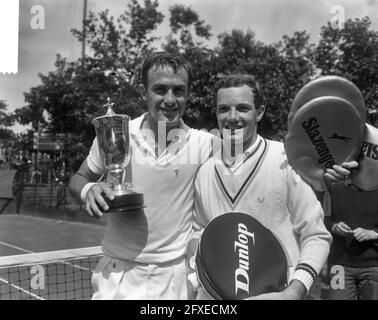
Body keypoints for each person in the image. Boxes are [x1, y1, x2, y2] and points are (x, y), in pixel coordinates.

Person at [68, 51, 214, 299]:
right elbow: (77, 179)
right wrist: (88, 189)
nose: (170, 100)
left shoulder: (204, 143)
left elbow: (249, 153)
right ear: (144, 92)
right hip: (118, 276)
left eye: (178, 90)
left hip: (175, 280)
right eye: (160, 89)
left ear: (188, 93)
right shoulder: (115, 132)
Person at [189, 74, 332, 300]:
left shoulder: (285, 160)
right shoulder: (204, 171)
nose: (232, 117)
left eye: (243, 108)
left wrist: (293, 292)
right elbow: (198, 234)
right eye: (224, 109)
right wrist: (196, 280)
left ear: (260, 112)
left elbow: (316, 235)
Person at [324, 180, 378, 300]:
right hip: (339, 267)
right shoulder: (334, 190)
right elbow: (322, 221)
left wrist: (373, 234)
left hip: (373, 268)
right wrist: (334, 226)